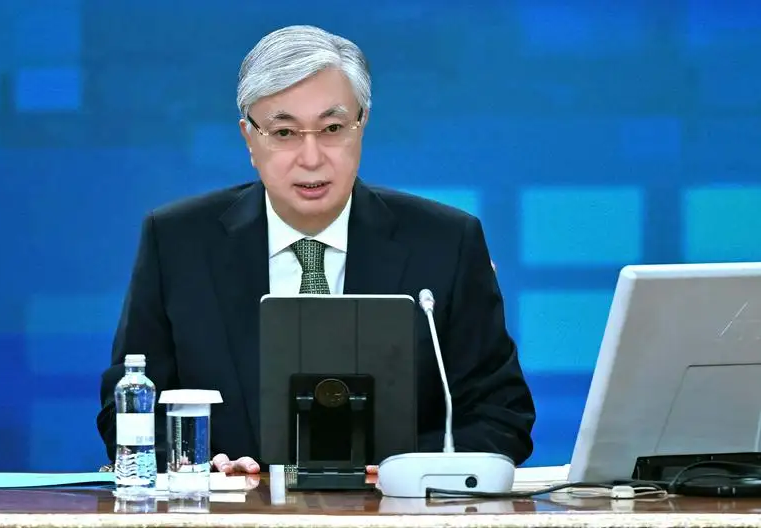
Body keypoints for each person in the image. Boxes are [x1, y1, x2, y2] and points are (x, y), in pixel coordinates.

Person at [96, 24, 535, 476]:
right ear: (249, 138)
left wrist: (400, 469)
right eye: (284, 132)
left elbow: (501, 415)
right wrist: (201, 467)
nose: (311, 158)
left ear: (362, 126)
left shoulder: (446, 243)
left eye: (332, 128)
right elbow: (126, 409)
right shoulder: (178, 242)